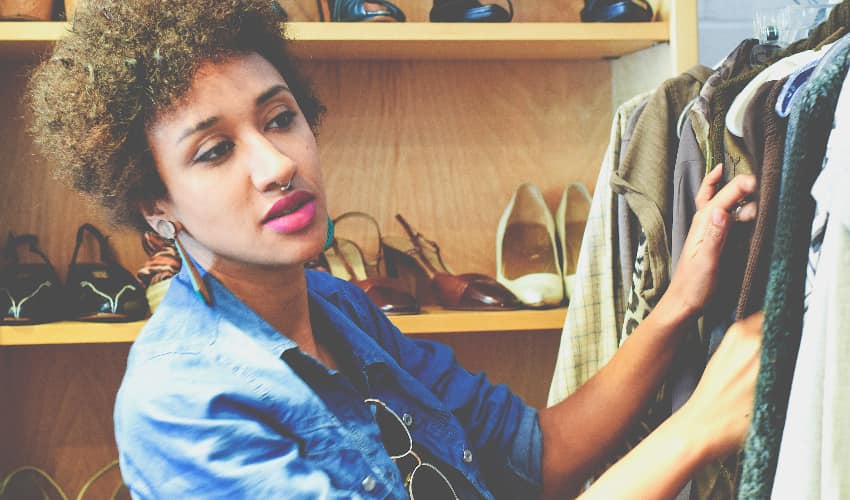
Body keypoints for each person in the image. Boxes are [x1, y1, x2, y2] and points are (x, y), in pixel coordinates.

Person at [26, 0, 763, 498]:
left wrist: (677, 305)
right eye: (215, 151)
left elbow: (537, 452)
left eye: (280, 119)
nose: (277, 163)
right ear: (156, 208)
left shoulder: (339, 309)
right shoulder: (184, 405)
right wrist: (694, 430)